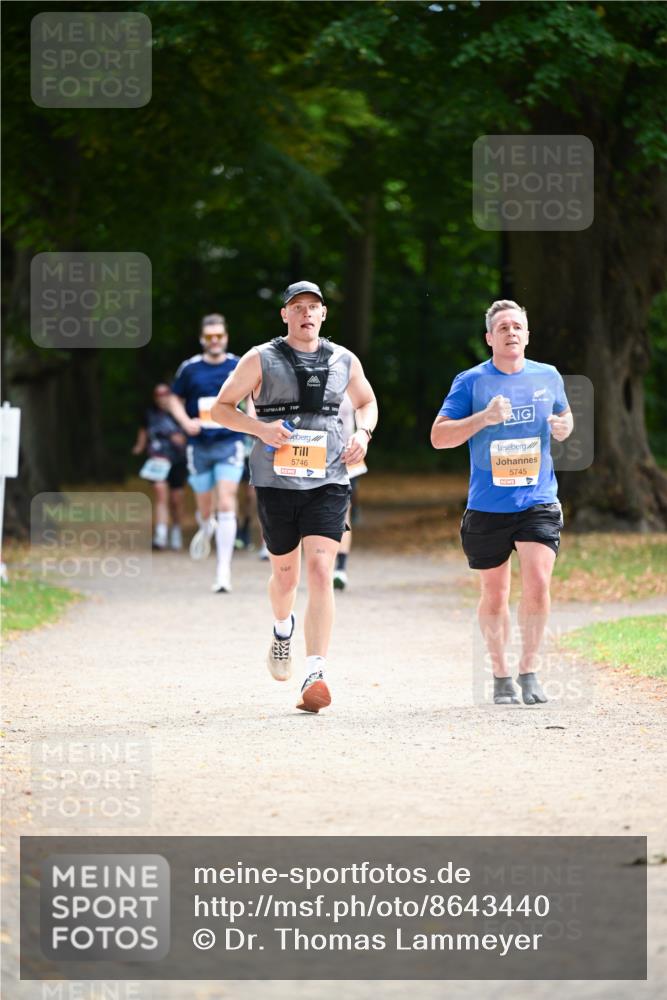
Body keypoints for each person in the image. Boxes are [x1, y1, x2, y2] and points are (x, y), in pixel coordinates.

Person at [212, 280, 378, 713]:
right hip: (276, 481)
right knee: (286, 577)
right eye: (298, 307)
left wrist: (363, 432)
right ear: (285, 314)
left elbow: (367, 401)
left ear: (323, 314)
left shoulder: (343, 359)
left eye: (313, 307)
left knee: (321, 570)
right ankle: (282, 628)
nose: (306, 313)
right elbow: (220, 409)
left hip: (330, 479)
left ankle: (315, 673)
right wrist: (260, 429)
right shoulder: (260, 358)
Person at [431, 299, 573, 706]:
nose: (511, 332)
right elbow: (439, 437)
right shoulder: (471, 382)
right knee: (494, 594)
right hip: (488, 505)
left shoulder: (548, 375)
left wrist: (564, 427)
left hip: (538, 499)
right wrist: (483, 419)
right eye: (503, 327)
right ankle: (500, 674)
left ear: (527, 335)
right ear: (489, 338)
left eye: (517, 326)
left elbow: (564, 418)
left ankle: (529, 670)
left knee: (539, 582)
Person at [168, 314, 246, 593]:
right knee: (205, 508)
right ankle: (206, 525)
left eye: (219, 336)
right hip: (199, 445)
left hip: (229, 442)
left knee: (226, 501)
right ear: (202, 339)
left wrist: (251, 422)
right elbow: (173, 398)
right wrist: (184, 422)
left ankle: (223, 571)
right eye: (210, 336)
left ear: (226, 337)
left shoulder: (238, 365)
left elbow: (254, 395)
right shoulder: (190, 368)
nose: (215, 341)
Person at [333, 391, 367, 590]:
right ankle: (325, 565)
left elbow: (367, 405)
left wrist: (363, 434)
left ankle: (340, 567)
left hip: (347, 457)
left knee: (344, 512)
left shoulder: (350, 382)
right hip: (316, 456)